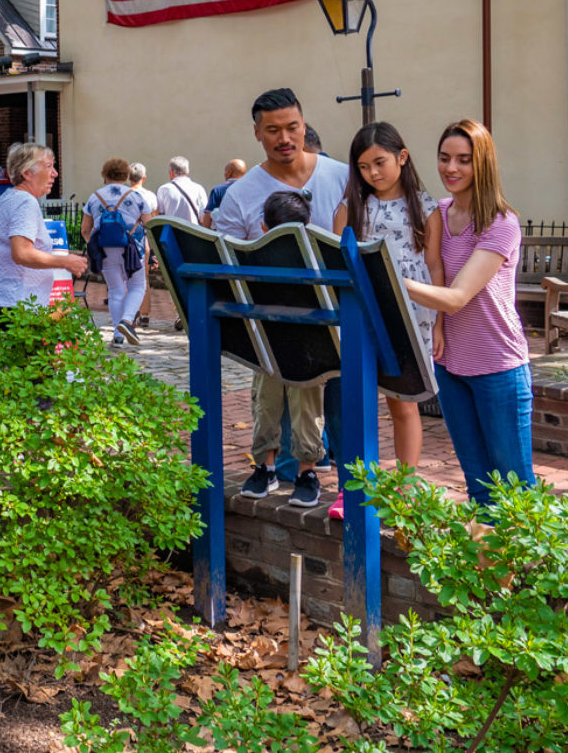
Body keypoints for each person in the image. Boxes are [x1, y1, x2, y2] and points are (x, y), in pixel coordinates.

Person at [220, 89, 350, 510]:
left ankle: (350, 487)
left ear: (303, 123)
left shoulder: (342, 176)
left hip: (337, 318)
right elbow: (225, 258)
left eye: (292, 126)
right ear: (257, 132)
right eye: (272, 130)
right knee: (271, 396)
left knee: (340, 409)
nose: (284, 137)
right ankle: (277, 469)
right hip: (273, 322)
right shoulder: (242, 194)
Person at [404, 120, 533, 508]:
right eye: (444, 159)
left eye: (464, 160)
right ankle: (485, 568)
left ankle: (523, 569)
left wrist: (388, 280)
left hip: (499, 367)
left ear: (483, 164)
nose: (451, 169)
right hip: (450, 364)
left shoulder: (501, 222)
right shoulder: (438, 213)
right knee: (477, 485)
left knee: (514, 491)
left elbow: (458, 296)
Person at [334, 122, 440, 517]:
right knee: (356, 399)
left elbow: (434, 265)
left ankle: (406, 484)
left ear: (402, 157)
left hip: (411, 312)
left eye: (379, 162)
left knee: (403, 401)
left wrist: (440, 323)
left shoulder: (426, 206)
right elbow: (339, 263)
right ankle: (358, 483)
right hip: (362, 312)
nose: (372, 173)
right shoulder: (351, 207)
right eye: (363, 167)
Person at [0, 143, 88, 329]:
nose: (55, 173)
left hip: (7, 303)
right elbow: (21, 253)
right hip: (18, 305)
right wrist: (65, 261)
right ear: (26, 172)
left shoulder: (8, 198)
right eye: (48, 166)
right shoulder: (25, 201)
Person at [80, 158, 154, 345]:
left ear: (105, 175)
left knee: (115, 290)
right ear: (126, 175)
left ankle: (118, 335)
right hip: (132, 248)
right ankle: (127, 321)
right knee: (137, 285)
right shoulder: (136, 196)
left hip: (105, 250)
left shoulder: (94, 197)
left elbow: (85, 229)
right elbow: (149, 224)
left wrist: (93, 245)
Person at [128, 163, 159, 328]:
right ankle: (145, 314)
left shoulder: (123, 195)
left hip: (125, 241)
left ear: (128, 177)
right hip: (144, 241)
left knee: (126, 278)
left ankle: (130, 314)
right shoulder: (151, 196)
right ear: (143, 178)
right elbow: (154, 221)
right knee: (143, 279)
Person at [155, 157, 208, 224]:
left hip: (171, 232)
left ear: (171, 172)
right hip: (193, 232)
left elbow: (160, 215)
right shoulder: (199, 189)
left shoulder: (164, 189)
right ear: (187, 171)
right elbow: (203, 217)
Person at [201, 160, 248, 229]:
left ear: (229, 173)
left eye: (225, 171)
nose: (224, 174)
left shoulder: (218, 191)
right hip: (247, 237)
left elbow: (207, 222)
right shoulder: (250, 191)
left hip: (223, 236)